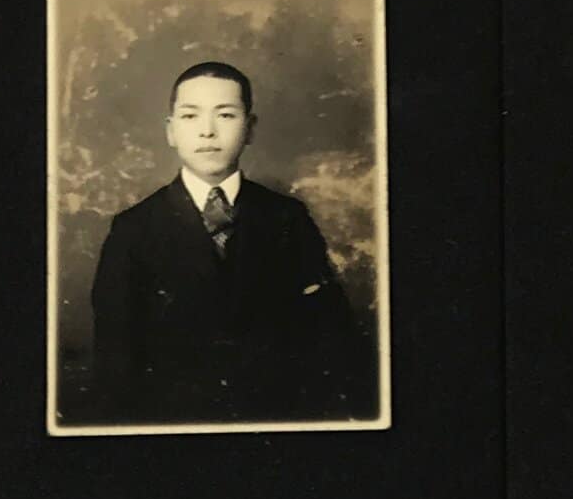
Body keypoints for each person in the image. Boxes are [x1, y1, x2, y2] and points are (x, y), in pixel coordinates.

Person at [90, 61, 370, 426]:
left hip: (276, 420)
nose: (207, 132)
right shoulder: (133, 229)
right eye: (190, 117)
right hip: (173, 422)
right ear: (170, 131)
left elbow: (331, 338)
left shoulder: (287, 218)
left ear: (250, 127)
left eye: (225, 115)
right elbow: (116, 361)